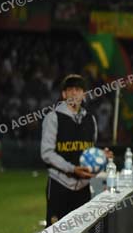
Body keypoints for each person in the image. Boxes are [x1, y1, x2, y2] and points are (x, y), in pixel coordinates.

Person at [40, 74, 112, 225]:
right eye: (70, 90)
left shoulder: (90, 119)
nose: (74, 93)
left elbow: (89, 150)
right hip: (60, 183)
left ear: (84, 95)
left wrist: (101, 156)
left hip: (83, 186)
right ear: (64, 94)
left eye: (78, 90)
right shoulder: (53, 117)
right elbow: (47, 153)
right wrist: (72, 169)